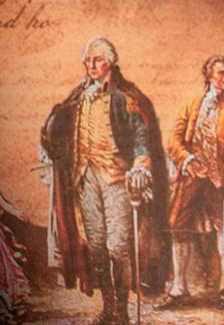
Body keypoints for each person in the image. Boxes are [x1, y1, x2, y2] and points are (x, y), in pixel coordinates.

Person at [41, 38, 170, 325]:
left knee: (117, 248)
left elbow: (140, 135)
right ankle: (108, 308)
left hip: (116, 179)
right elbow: (58, 129)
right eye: (88, 60)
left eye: (97, 60)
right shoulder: (78, 96)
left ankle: (122, 312)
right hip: (85, 178)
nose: (91, 65)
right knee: (97, 248)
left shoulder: (124, 98)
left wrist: (140, 165)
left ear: (110, 63)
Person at [161, 55, 224, 308]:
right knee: (178, 226)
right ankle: (179, 288)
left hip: (221, 180)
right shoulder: (193, 103)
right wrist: (187, 159)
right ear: (209, 76)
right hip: (193, 177)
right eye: (221, 73)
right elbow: (174, 140)